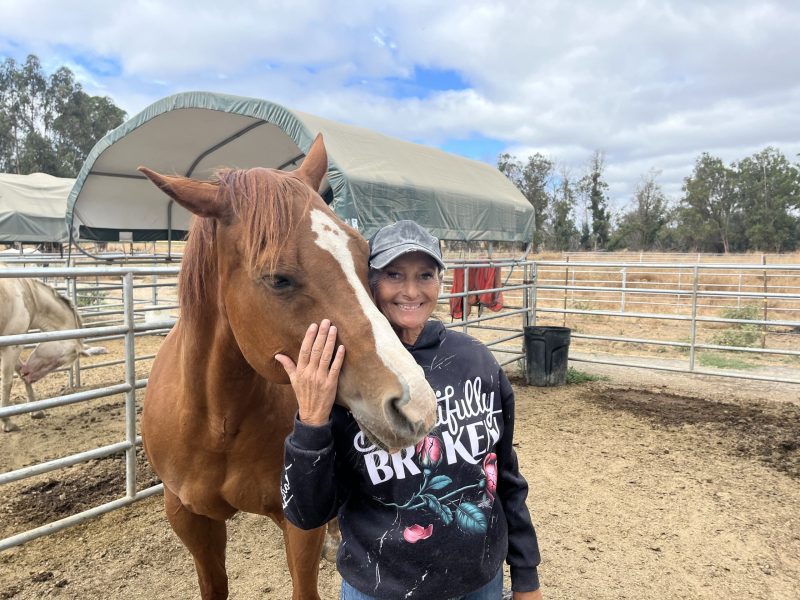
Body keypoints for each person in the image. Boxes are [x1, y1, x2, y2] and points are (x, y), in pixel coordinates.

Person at [277, 220, 542, 600]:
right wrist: (312, 422)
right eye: (394, 275)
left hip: (479, 584)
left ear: (440, 282)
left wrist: (526, 575)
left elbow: (506, 477)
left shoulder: (476, 362)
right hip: (381, 589)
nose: (411, 291)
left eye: (425, 275)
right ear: (369, 284)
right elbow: (308, 513)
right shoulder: (346, 378)